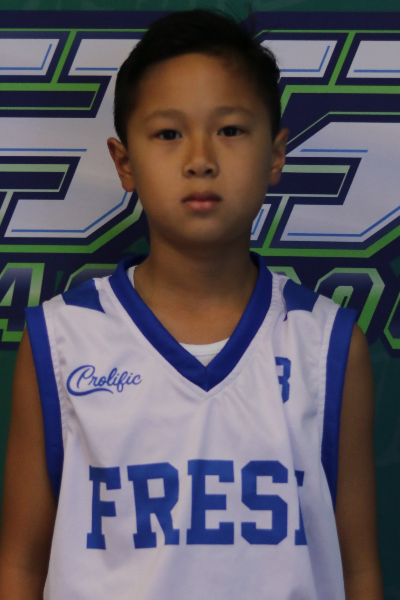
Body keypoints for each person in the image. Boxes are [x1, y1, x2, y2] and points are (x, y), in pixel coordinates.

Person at [0, 9, 383, 600]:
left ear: (276, 154)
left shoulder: (326, 343)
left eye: (230, 130)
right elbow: (21, 564)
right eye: (168, 134)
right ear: (125, 162)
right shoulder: (62, 339)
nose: (200, 158)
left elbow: (357, 569)